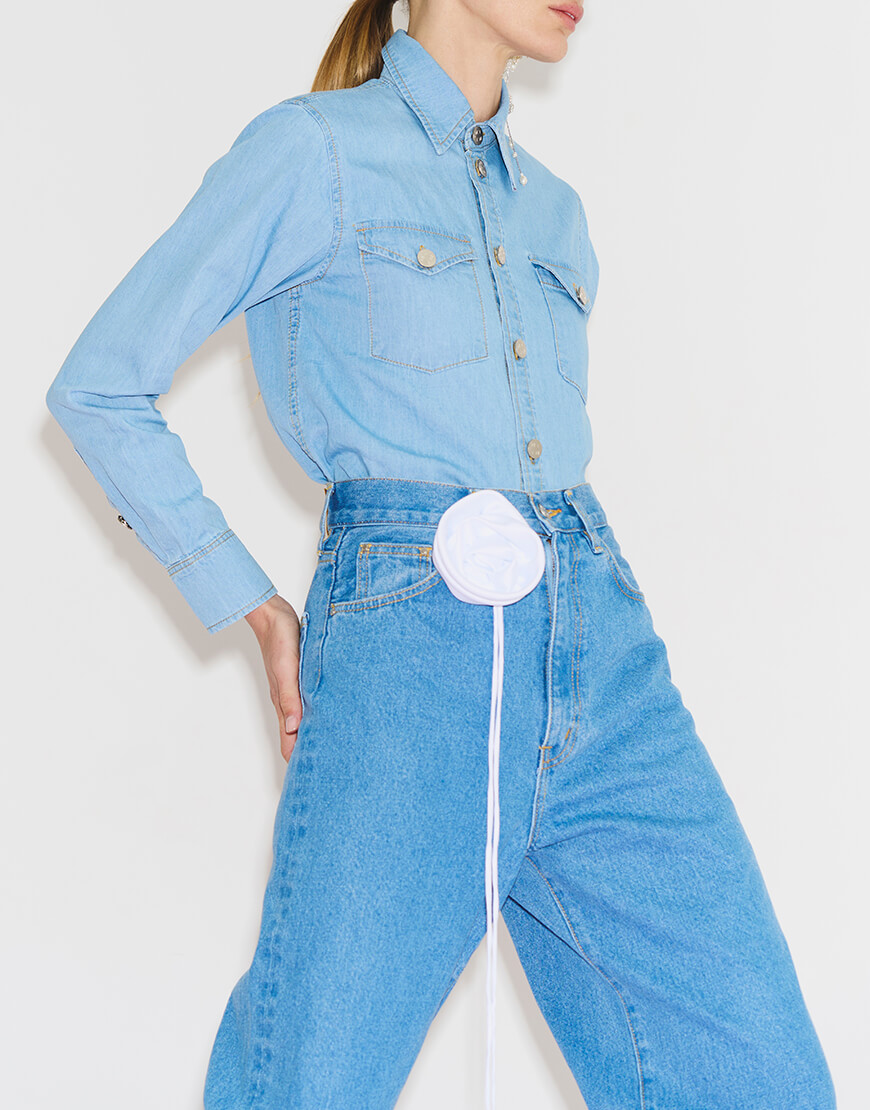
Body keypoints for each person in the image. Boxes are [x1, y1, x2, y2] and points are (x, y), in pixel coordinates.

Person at [45, 1, 838, 1108]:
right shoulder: (313, 153)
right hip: (412, 654)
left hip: (604, 644)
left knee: (757, 1073)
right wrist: (252, 605)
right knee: (315, 1079)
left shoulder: (557, 212)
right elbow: (98, 386)